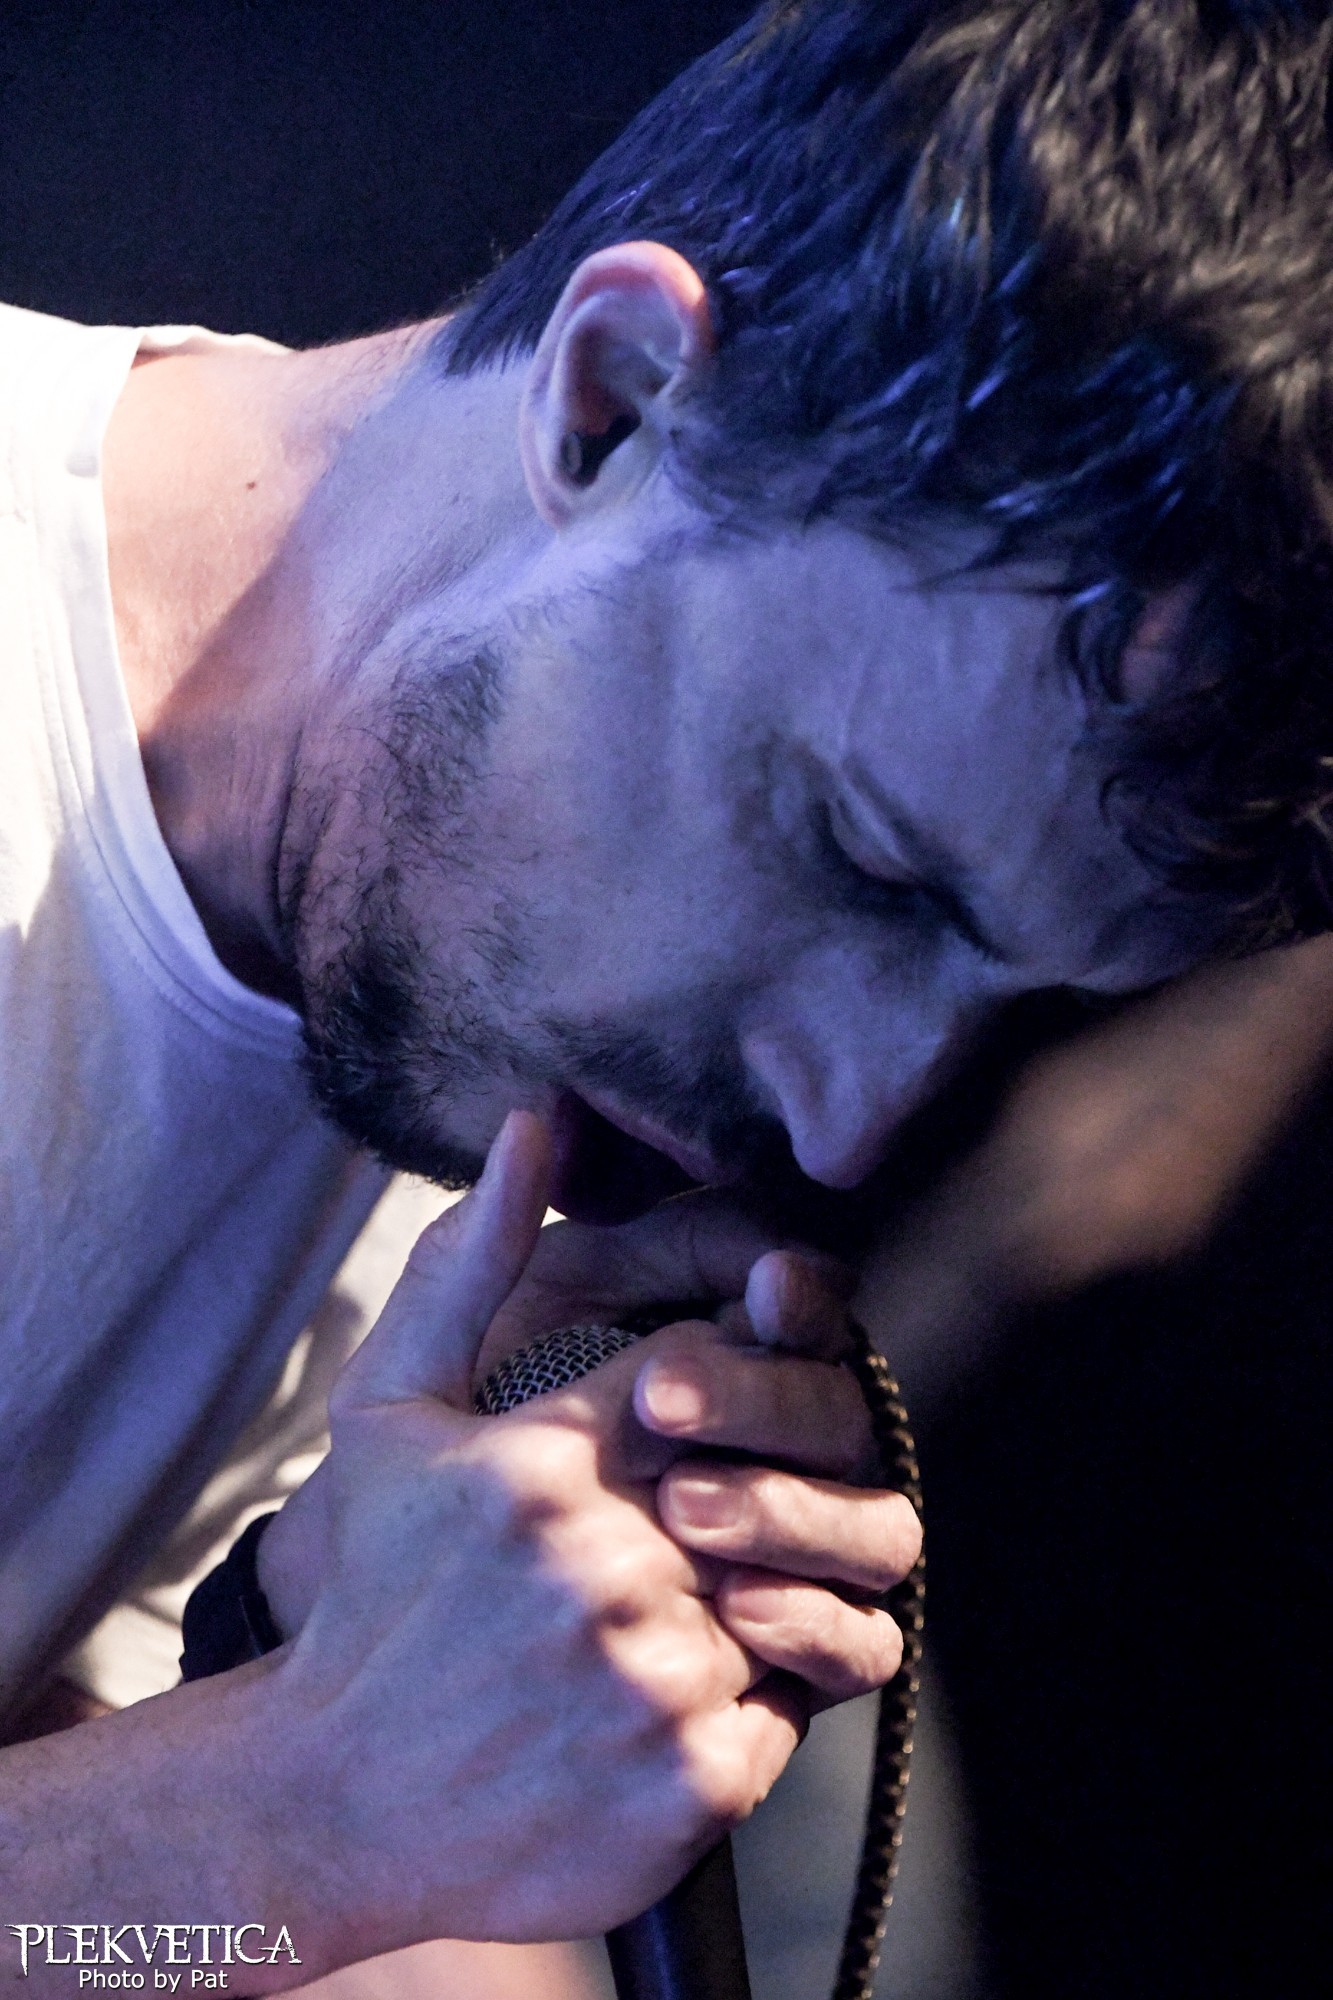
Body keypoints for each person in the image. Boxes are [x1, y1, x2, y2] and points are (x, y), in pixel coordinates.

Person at [4, 0, 1332, 1982]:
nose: (848, 1116)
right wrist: (291, 1799)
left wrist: (327, 1677)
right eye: (861, 857)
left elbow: (84, 1942)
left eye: (1003, 994)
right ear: (615, 398)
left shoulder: (421, 957)